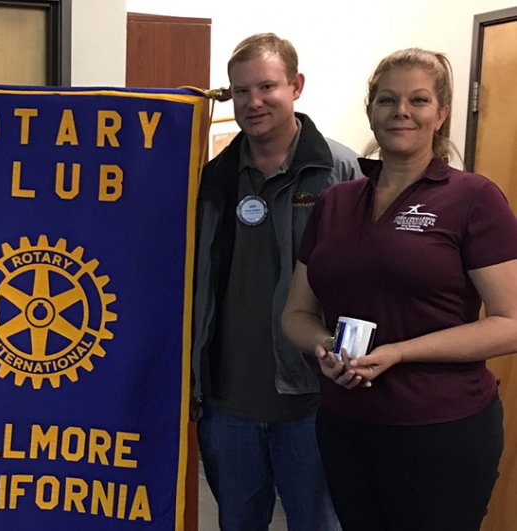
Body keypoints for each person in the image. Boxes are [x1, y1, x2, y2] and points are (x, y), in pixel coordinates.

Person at [281, 47, 517, 531]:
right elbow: (296, 314)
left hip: (441, 429)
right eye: (387, 100)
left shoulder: (473, 198)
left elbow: (510, 324)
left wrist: (398, 353)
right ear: (370, 109)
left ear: (442, 113)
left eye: (419, 100)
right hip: (346, 423)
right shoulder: (335, 201)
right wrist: (325, 347)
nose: (401, 112)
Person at [192, 33, 361, 531]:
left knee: (317, 523)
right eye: (240, 91)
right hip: (227, 404)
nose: (253, 102)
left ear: (297, 85)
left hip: (311, 401)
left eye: (267, 87)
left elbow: (363, 280)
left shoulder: (340, 172)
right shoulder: (211, 179)